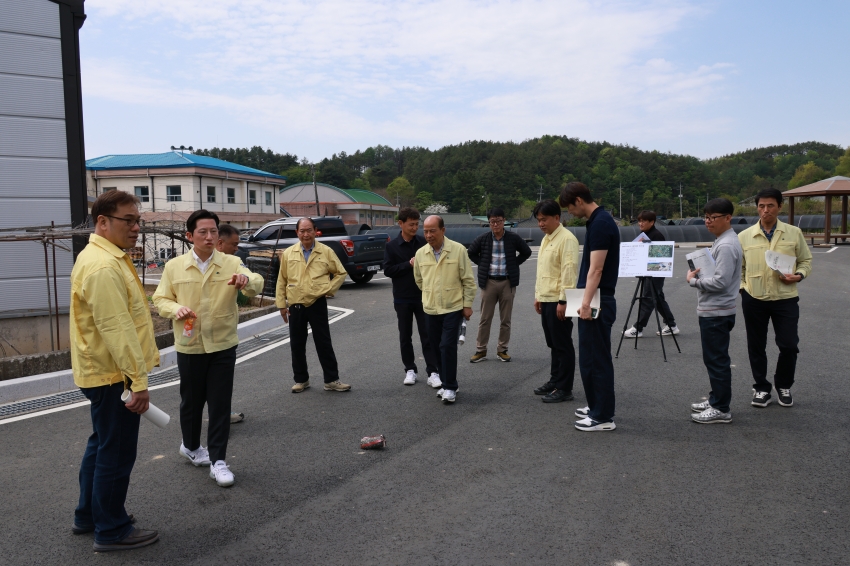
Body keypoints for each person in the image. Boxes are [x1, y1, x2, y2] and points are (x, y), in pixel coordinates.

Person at [70, 190, 160, 551]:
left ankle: (88, 515)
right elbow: (117, 328)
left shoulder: (101, 256)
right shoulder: (104, 265)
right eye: (129, 220)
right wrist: (137, 382)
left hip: (102, 371)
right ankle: (111, 529)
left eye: (137, 220)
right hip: (113, 375)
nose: (136, 227)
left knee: (101, 444)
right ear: (103, 222)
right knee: (116, 451)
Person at [153, 210, 264, 487]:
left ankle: (219, 461)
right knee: (191, 401)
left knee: (219, 402)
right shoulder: (174, 266)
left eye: (214, 231)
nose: (210, 236)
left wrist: (246, 281)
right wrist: (176, 308)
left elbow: (256, 283)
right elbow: (160, 298)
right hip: (190, 344)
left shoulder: (232, 262)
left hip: (222, 344)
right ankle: (190, 446)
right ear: (190, 236)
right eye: (203, 232)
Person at [738, 188, 812, 408]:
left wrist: (798, 275)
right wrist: (743, 288)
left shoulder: (793, 233)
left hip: (785, 298)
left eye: (770, 205)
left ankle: (783, 385)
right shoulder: (745, 236)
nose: (765, 210)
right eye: (761, 206)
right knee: (756, 346)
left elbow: (805, 261)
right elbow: (739, 268)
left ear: (780, 207)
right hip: (754, 298)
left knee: (789, 345)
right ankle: (761, 388)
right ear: (757, 208)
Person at [560, 182, 620, 431]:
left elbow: (596, 269)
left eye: (569, 208)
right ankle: (596, 404)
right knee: (589, 356)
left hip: (595, 299)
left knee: (595, 359)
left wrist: (585, 304)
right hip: (589, 296)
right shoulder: (598, 221)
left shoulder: (600, 223)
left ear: (578, 200)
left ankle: (602, 416)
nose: (570, 213)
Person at [276, 217, 351, 393]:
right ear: (297, 233)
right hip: (296, 304)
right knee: (297, 344)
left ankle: (331, 380)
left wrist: (329, 289)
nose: (306, 234)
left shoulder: (325, 251)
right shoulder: (288, 253)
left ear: (315, 230)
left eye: (309, 230)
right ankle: (301, 380)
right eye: (302, 231)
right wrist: (281, 305)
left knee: (323, 342)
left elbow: (340, 272)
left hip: (317, 302)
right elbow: (282, 280)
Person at [686, 198, 743, 424]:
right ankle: (716, 399)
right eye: (706, 217)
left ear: (728, 218)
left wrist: (693, 281)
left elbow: (720, 282)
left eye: (713, 218)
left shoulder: (727, 245)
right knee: (714, 359)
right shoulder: (723, 240)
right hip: (716, 310)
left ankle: (721, 408)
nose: (708, 222)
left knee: (717, 360)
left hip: (717, 312)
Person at [414, 215, 477, 404]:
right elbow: (419, 280)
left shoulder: (458, 250)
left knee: (447, 346)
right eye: (425, 231)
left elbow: (468, 280)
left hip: (452, 307)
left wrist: (467, 305)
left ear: (443, 230)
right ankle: (446, 383)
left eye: (432, 230)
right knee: (435, 347)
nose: (428, 235)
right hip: (431, 308)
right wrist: (429, 294)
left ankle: (450, 387)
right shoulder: (420, 254)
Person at [383, 207, 442, 387]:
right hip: (402, 298)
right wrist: (408, 264)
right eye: (411, 224)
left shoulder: (424, 242)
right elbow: (388, 270)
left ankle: (433, 371)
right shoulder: (391, 246)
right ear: (400, 224)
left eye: (417, 224)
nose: (415, 228)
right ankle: (410, 369)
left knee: (428, 335)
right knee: (405, 335)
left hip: (423, 296)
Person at [467, 207, 532, 363]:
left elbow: (526, 252)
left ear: (504, 221)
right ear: (489, 223)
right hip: (489, 282)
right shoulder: (483, 239)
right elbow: (471, 252)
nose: (495, 224)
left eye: (499, 221)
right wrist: (482, 264)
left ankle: (502, 349)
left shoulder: (512, 238)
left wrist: (514, 264)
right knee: (484, 318)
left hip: (507, 282)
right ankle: (481, 350)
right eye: (492, 221)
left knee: (505, 319)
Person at [531, 199, 580, 403]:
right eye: (539, 220)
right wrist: (538, 296)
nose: (541, 224)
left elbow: (569, 271)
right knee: (553, 344)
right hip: (547, 297)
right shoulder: (546, 238)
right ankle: (555, 380)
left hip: (559, 300)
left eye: (544, 219)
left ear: (557, 218)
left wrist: (564, 300)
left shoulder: (566, 239)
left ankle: (565, 388)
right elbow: (542, 270)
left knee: (563, 344)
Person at [623, 210, 679, 338]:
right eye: (639, 221)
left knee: (648, 298)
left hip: (655, 273)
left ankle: (638, 328)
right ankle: (672, 325)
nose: (640, 224)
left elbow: (661, 260)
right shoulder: (645, 234)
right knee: (658, 299)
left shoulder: (656, 235)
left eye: (643, 221)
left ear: (652, 222)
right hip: (647, 272)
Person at [217, 223, 248, 424]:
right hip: (198, 336)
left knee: (222, 381)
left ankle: (222, 415)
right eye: (234, 244)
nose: (237, 248)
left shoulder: (234, 263)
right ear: (220, 243)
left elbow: (251, 283)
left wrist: (246, 280)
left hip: (224, 334)